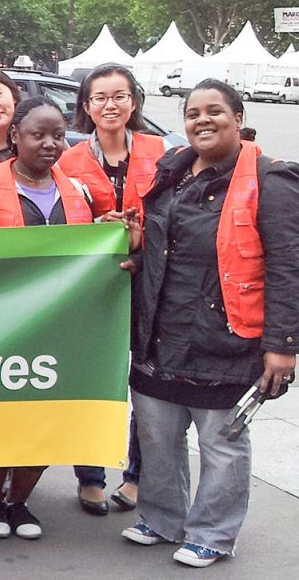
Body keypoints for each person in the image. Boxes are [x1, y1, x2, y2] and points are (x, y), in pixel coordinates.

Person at [121, 79, 298, 568]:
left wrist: (283, 345)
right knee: (157, 434)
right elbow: (162, 247)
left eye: (214, 111)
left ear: (238, 118)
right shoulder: (171, 173)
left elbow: (288, 265)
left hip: (227, 337)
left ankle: (214, 535)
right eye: (192, 112)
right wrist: (137, 247)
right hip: (160, 330)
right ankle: (160, 519)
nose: (203, 120)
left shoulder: (271, 180)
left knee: (221, 441)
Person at [0, 97, 93, 540]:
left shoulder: (77, 191)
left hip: (58, 327)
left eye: (58, 135)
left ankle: (20, 502)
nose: (49, 143)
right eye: (38, 134)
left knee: (44, 418)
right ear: (15, 137)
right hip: (0, 327)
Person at [57, 62, 164, 515]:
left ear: (134, 101)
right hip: (95, 289)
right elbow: (60, 222)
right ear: (86, 107)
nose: (110, 105)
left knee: (148, 386)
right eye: (99, 97)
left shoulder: (164, 153)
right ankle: (91, 477)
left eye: (119, 95)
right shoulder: (68, 159)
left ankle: (138, 476)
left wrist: (146, 236)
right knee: (93, 381)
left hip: (151, 286)